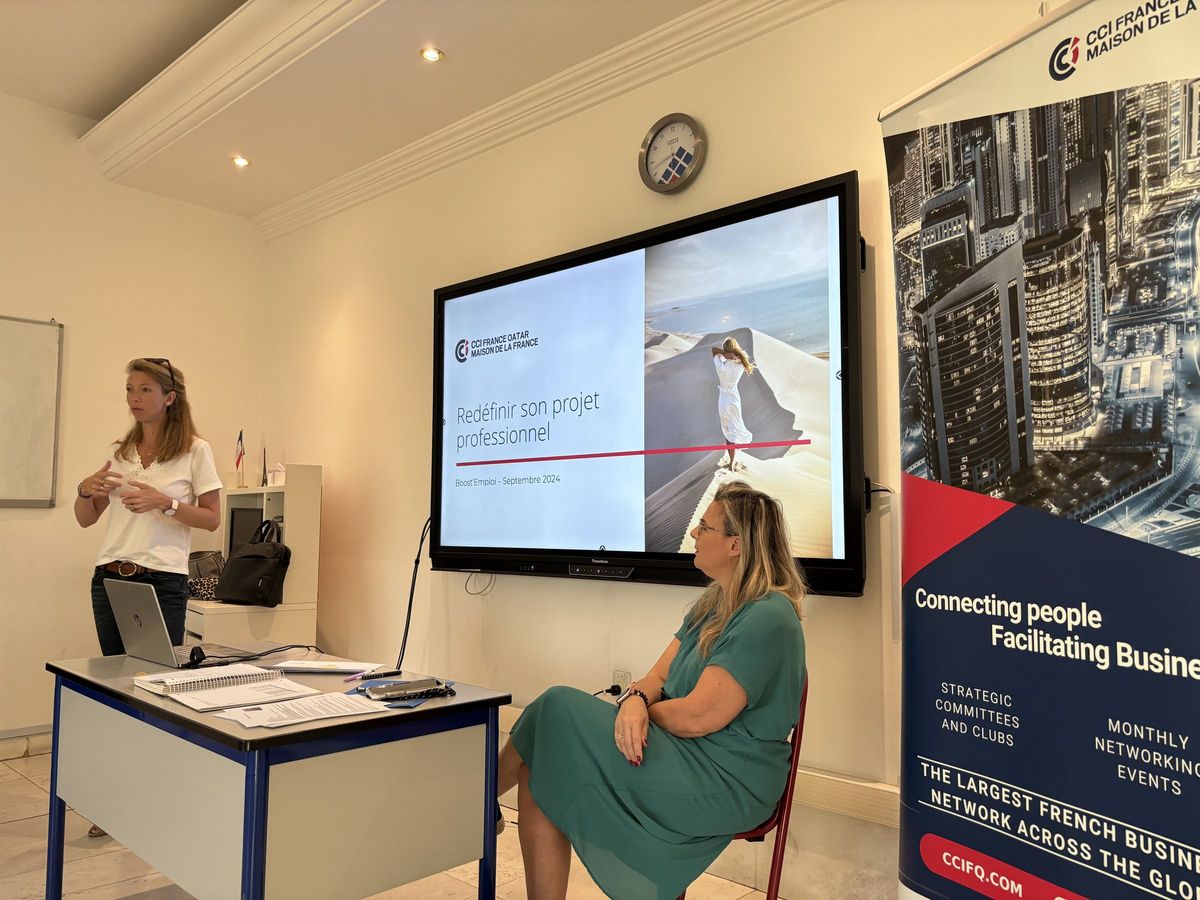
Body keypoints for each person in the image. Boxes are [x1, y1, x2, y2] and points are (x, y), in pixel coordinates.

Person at [499, 480, 806, 900]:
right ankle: (480, 806)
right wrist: (636, 701)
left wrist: (638, 711)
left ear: (736, 545)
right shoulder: (713, 605)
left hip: (727, 778)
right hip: (680, 752)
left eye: (705, 527)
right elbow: (656, 678)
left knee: (555, 704)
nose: (694, 533)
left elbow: (698, 718)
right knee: (539, 772)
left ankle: (476, 804)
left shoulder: (769, 616)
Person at [75, 358, 222, 656]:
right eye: (130, 389)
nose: (135, 398)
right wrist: (84, 490)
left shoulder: (195, 450)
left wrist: (165, 503)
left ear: (169, 398)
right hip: (109, 576)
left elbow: (212, 519)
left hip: (163, 578)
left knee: (156, 671)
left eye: (145, 389)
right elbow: (85, 519)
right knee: (113, 671)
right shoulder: (119, 451)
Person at [711, 337, 756, 472]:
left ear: (725, 350)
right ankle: (731, 462)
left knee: (727, 431)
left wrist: (724, 354)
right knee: (734, 430)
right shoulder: (741, 364)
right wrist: (733, 354)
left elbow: (713, 350)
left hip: (723, 401)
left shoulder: (721, 365)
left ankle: (731, 461)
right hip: (734, 400)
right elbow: (742, 356)